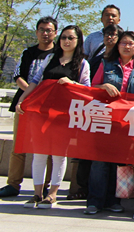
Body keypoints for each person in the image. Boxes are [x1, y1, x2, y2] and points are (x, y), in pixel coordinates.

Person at [18, 25, 90, 209]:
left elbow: (87, 89)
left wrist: (72, 83)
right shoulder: (50, 58)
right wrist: (22, 100)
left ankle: (52, 194)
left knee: (59, 155)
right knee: (39, 153)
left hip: (64, 114)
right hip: (43, 111)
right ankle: (37, 193)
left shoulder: (82, 63)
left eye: (71, 38)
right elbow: (35, 81)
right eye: (64, 37)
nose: (66, 41)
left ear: (78, 41)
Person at [85, 30, 134, 215]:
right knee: (99, 162)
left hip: (127, 122)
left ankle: (114, 200)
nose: (127, 46)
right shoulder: (106, 64)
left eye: (131, 44)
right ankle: (95, 201)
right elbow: (91, 88)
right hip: (105, 118)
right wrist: (103, 86)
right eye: (123, 43)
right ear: (117, 45)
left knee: (120, 162)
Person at [0, 16, 57, 199]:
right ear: (36, 32)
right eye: (42, 30)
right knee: (19, 145)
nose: (45, 33)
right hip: (24, 104)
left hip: (49, 106)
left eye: (49, 30)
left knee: (48, 148)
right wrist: (31, 92)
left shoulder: (58, 54)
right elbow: (18, 75)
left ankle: (45, 185)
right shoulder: (28, 52)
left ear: (55, 33)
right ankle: (13, 184)